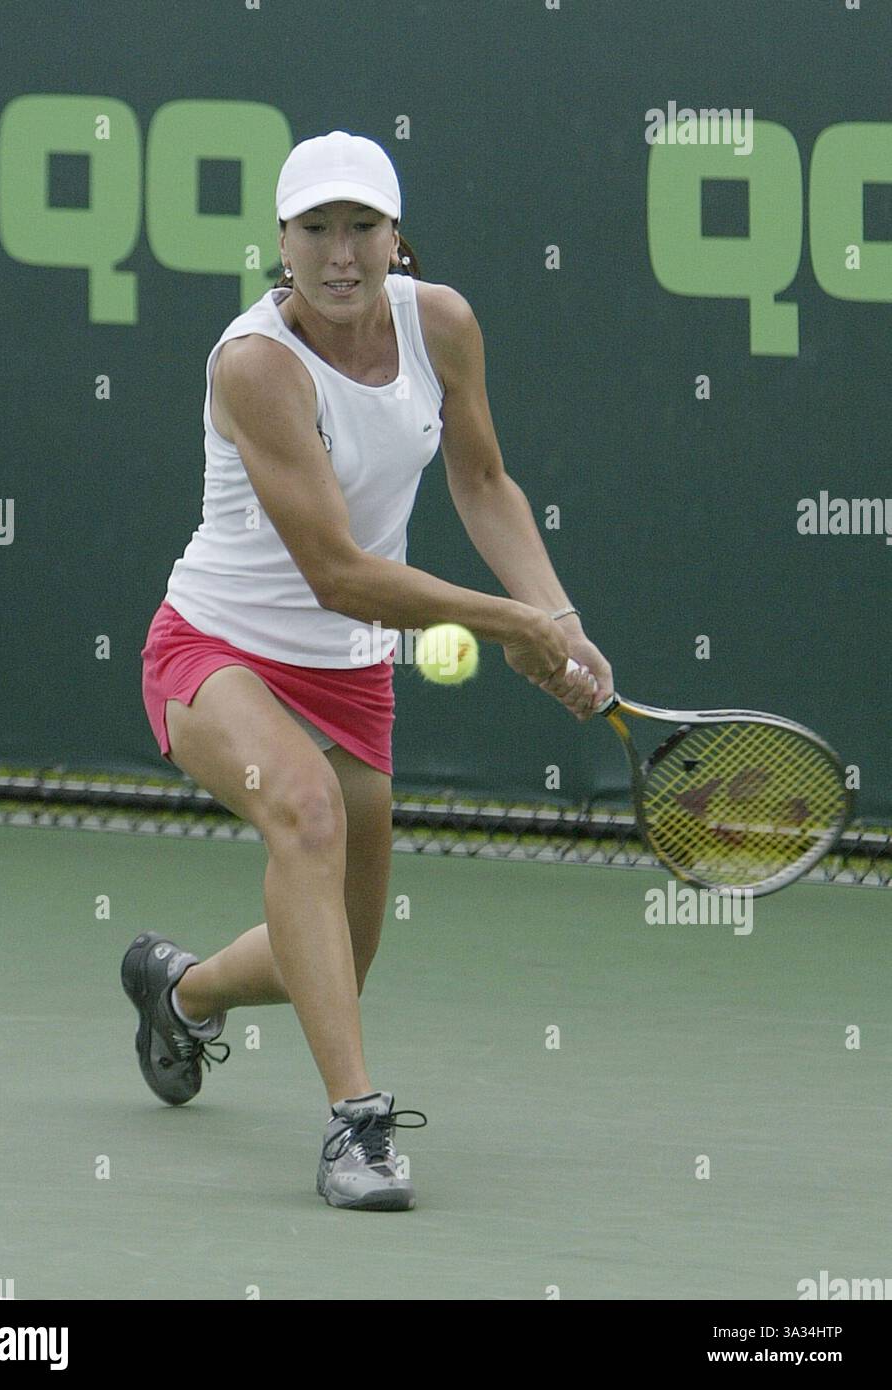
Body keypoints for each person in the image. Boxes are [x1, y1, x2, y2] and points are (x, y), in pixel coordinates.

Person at [123, 130, 613, 1212]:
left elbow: (483, 481)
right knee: (303, 814)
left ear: (397, 240)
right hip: (215, 650)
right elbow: (340, 573)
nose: (339, 254)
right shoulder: (256, 366)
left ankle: (182, 991)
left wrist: (558, 617)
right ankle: (357, 1128)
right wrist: (509, 625)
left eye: (362, 228)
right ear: (281, 243)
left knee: (344, 949)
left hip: (350, 674)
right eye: (316, 230)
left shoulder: (441, 322)